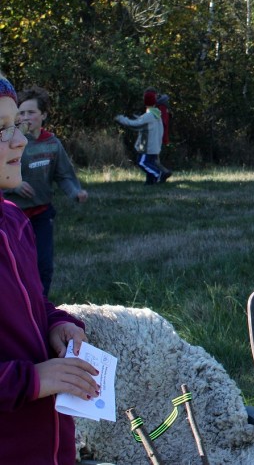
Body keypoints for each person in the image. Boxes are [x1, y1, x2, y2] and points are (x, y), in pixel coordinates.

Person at [0, 74, 101, 465]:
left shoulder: (13, 220)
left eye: (16, 125)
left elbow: (32, 302)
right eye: (1, 130)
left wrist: (57, 323)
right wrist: (33, 380)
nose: (20, 141)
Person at [4, 86, 88, 297]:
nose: (26, 117)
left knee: (43, 264)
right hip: (15, 214)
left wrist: (75, 192)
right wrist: (15, 186)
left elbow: (64, 175)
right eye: (21, 113)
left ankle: (41, 304)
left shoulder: (52, 144)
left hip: (41, 214)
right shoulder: (12, 142)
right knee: (15, 265)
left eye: (31, 112)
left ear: (43, 115)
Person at [115, 89, 166, 184]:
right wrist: (138, 118)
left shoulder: (149, 115)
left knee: (142, 162)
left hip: (148, 146)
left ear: (145, 101)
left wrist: (122, 119)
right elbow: (144, 125)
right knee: (150, 163)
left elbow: (135, 125)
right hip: (154, 145)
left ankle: (159, 174)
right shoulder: (156, 114)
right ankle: (150, 182)